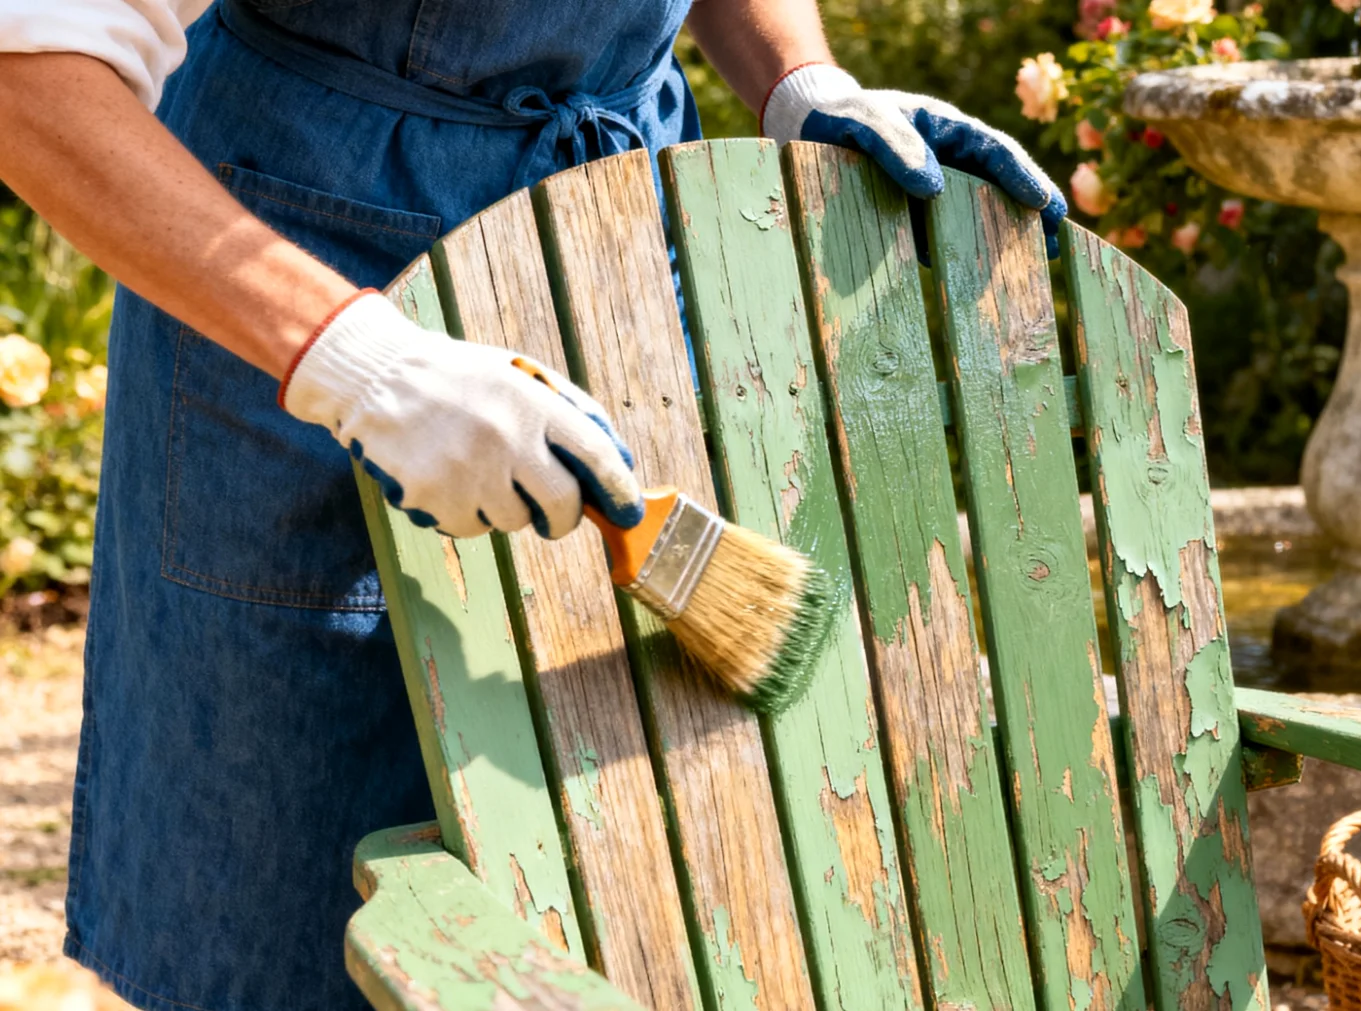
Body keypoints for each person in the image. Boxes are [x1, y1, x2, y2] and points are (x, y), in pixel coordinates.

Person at [0, 2, 1065, 1008]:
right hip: (301, 290)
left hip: (619, 255)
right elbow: (31, 75)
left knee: (635, 895)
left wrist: (797, 76)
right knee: (297, 909)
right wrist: (363, 367)